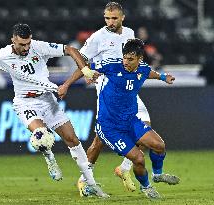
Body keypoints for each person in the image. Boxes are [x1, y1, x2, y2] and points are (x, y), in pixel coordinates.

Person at [0, 23, 109, 198]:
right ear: (13, 41)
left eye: (28, 44)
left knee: (72, 139)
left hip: (47, 100)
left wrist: (85, 70)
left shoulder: (38, 47)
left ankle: (89, 182)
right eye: (21, 44)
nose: (26, 48)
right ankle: (50, 158)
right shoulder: (3, 55)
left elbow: (70, 50)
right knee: (41, 134)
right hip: (25, 103)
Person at [58, 2, 147, 194]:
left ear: (122, 17)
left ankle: (124, 169)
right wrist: (72, 80)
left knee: (144, 126)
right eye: (107, 18)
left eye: (114, 18)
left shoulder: (130, 33)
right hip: (108, 92)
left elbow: (135, 60)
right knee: (101, 138)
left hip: (128, 90)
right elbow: (81, 59)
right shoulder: (98, 37)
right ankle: (85, 180)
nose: (110, 21)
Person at [90, 38, 180, 199]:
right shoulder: (112, 65)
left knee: (159, 145)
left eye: (130, 59)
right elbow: (85, 65)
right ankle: (146, 187)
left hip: (130, 120)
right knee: (138, 158)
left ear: (140, 59)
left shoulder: (142, 69)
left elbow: (148, 72)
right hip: (110, 127)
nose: (126, 61)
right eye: (124, 57)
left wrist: (162, 77)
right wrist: (74, 80)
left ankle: (157, 175)